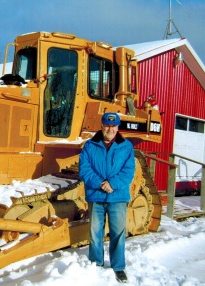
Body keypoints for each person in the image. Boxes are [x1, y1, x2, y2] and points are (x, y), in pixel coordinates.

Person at [79, 112, 135, 284]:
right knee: (95, 233)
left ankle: (118, 267)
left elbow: (128, 171)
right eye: (107, 125)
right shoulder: (89, 146)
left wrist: (112, 184)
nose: (110, 129)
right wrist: (100, 183)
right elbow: (84, 169)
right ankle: (96, 262)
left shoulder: (126, 146)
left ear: (117, 128)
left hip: (117, 196)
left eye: (113, 126)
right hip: (96, 196)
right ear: (102, 126)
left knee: (118, 233)